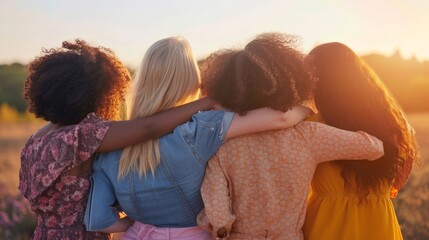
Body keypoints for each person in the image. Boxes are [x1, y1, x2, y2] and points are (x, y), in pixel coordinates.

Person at [83, 36, 311, 239]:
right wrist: (308, 107)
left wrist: (133, 224)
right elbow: (281, 118)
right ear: (191, 78)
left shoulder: (111, 144)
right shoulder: (198, 130)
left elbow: (98, 220)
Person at [18, 39, 218, 240]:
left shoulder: (36, 140)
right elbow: (149, 128)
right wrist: (208, 101)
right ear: (97, 94)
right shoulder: (80, 137)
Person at [198, 33, 385, 240]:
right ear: (289, 82)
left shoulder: (222, 143)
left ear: (228, 88)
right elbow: (374, 147)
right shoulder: (308, 136)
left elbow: (218, 215)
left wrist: (222, 230)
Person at [302, 42, 419, 240]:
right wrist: (383, 192)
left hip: (327, 224)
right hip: (379, 224)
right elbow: (404, 168)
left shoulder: (312, 126)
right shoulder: (392, 124)